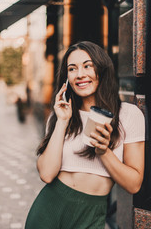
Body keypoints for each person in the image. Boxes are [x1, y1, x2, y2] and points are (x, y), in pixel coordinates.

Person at [25, 41, 145, 229]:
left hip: (92, 214)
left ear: (102, 69)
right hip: (50, 210)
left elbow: (134, 185)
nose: (80, 74)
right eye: (72, 69)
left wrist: (104, 151)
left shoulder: (129, 115)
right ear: (67, 78)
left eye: (88, 66)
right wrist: (62, 122)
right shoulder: (60, 116)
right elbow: (47, 174)